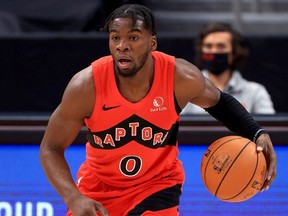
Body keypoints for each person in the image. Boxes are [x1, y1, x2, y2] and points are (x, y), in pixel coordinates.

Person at [39, 4, 277, 216]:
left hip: (157, 185)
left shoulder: (179, 77)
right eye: (115, 38)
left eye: (133, 38)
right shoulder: (86, 85)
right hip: (98, 187)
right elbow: (50, 147)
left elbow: (220, 102)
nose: (122, 46)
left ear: (152, 43)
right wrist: (73, 197)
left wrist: (257, 133)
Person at [181, 23, 275, 115]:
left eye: (221, 46)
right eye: (208, 46)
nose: (214, 51)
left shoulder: (255, 92)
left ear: (234, 53)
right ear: (201, 50)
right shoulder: (187, 89)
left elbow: (269, 126)